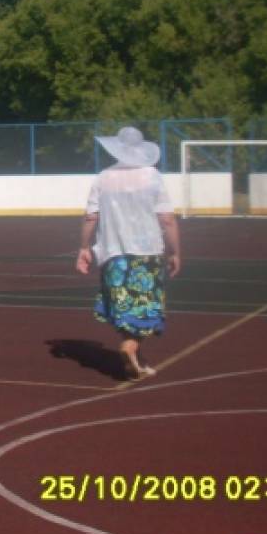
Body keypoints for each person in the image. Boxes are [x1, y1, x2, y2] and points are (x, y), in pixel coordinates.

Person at [76, 126, 181, 379]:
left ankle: (136, 356)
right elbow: (167, 219)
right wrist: (175, 251)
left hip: (114, 252)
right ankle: (131, 347)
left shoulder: (103, 177)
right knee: (145, 306)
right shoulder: (152, 176)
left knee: (124, 306)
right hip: (147, 253)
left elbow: (91, 217)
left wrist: (83, 247)